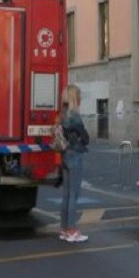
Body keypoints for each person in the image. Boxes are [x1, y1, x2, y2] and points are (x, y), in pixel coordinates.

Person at [58, 85, 91, 244]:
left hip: (64, 156)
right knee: (74, 195)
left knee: (66, 194)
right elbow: (85, 138)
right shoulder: (75, 116)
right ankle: (72, 230)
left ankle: (64, 229)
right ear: (74, 98)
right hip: (75, 155)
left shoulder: (62, 115)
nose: (80, 99)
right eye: (79, 96)